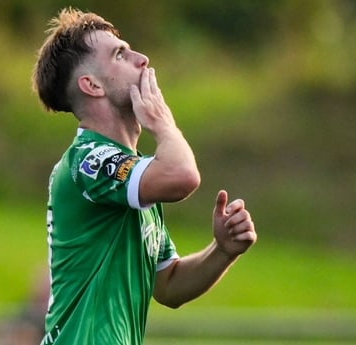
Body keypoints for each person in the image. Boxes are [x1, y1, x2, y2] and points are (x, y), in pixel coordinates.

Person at [31, 7, 257, 345]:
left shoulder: (132, 174)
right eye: (120, 54)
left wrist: (223, 250)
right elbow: (182, 175)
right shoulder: (90, 160)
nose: (142, 58)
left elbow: (168, 285)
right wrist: (162, 123)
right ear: (91, 85)